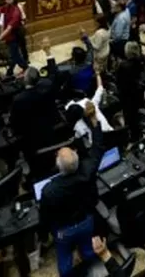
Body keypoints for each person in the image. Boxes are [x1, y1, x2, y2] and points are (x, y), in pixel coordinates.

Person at [39, 115, 105, 276]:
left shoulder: (49, 190)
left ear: (58, 167)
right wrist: (95, 125)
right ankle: (91, 265)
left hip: (64, 230)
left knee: (64, 259)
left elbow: (44, 216)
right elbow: (98, 148)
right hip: (86, 221)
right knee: (88, 249)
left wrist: (43, 235)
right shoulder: (88, 170)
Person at [116, 41, 145, 141]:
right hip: (138, 93)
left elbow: (118, 81)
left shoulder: (123, 65)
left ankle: (133, 137)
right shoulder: (141, 59)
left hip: (127, 95)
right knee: (136, 115)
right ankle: (136, 133)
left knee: (130, 116)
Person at [0, 0, 29, 76]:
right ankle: (10, 71)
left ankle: (25, 68)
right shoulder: (7, 6)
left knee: (15, 55)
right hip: (9, 37)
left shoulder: (16, 13)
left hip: (15, 36)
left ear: (14, 1)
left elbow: (8, 29)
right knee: (14, 54)